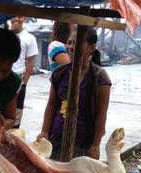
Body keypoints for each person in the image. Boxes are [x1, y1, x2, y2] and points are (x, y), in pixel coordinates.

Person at [37, 28, 111, 160]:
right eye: (69, 43)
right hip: (56, 137)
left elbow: (101, 114)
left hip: (83, 142)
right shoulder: (59, 73)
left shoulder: (99, 77)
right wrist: (44, 132)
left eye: (75, 43)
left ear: (91, 47)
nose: (70, 47)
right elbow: (52, 104)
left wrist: (95, 146)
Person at [9, 16, 38, 128]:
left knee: (16, 115)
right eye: (13, 16)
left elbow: (31, 62)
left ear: (24, 18)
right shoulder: (4, 35)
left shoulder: (29, 38)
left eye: (20, 16)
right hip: (1, 79)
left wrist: (24, 83)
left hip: (18, 80)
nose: (16, 19)